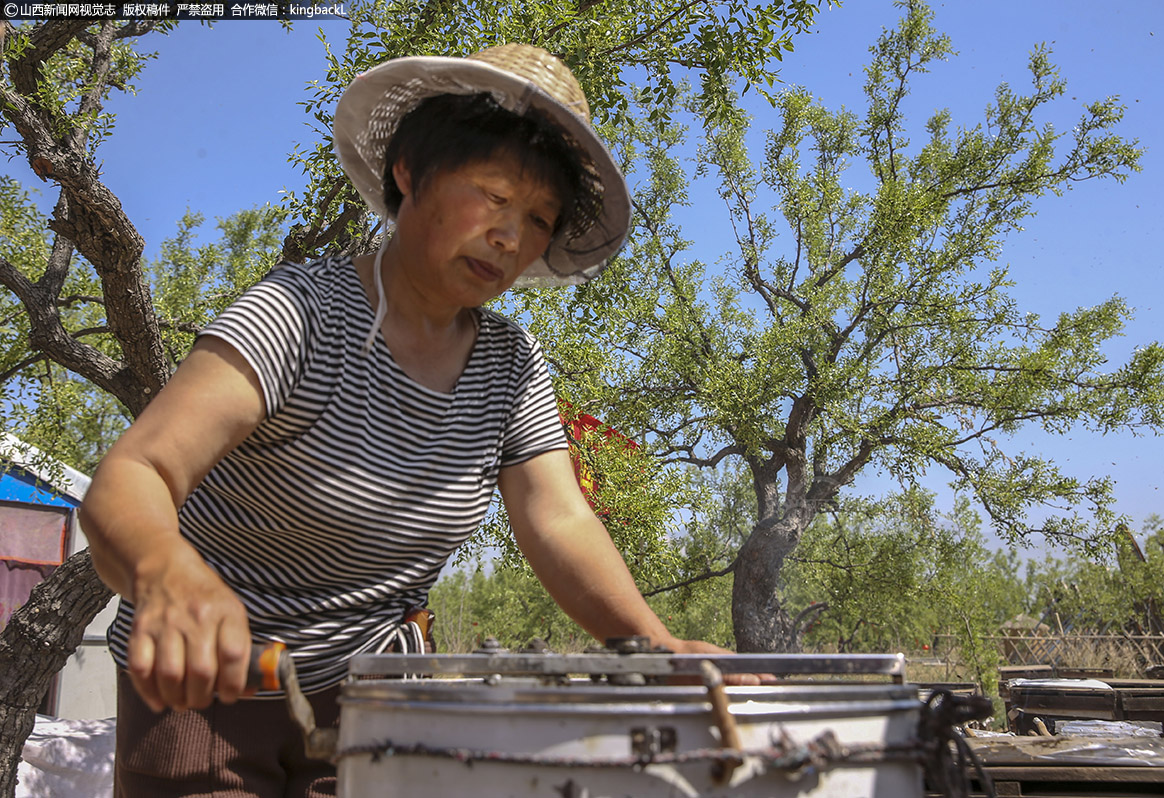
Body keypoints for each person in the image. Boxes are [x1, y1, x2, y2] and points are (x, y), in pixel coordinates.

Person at [79, 44, 741, 798]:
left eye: (536, 219)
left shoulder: (509, 366)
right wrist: (165, 572)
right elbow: (135, 473)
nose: (510, 237)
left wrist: (651, 646)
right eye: (493, 196)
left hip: (373, 697)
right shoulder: (300, 316)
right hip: (206, 690)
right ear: (408, 172)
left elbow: (559, 523)